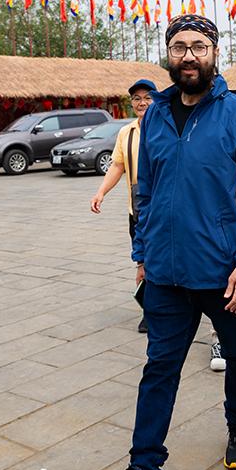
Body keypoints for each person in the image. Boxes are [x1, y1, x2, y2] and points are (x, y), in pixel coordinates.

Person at [94, 15, 236, 470]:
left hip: (222, 269)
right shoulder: (152, 117)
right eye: (179, 47)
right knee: (159, 368)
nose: (188, 55)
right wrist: (142, 254)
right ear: (167, 56)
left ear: (214, 53)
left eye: (198, 46)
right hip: (166, 273)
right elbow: (144, 191)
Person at [92, 79, 156, 335]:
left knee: (162, 260)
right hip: (138, 210)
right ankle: (149, 311)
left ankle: (171, 310)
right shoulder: (126, 133)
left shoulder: (168, 128)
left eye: (147, 98)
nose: (142, 103)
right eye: (137, 99)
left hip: (164, 209)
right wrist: (101, 191)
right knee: (142, 261)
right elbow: (118, 165)